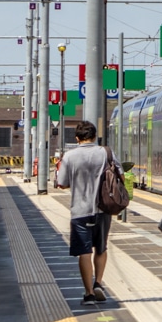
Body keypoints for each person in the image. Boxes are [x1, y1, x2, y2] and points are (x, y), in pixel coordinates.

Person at [54, 121, 112, 305]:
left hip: (79, 211)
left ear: (77, 138)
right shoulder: (105, 153)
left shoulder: (69, 156)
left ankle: (88, 294)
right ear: (94, 137)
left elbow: (62, 183)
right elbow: (119, 173)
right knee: (101, 248)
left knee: (84, 251)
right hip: (103, 209)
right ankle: (99, 283)